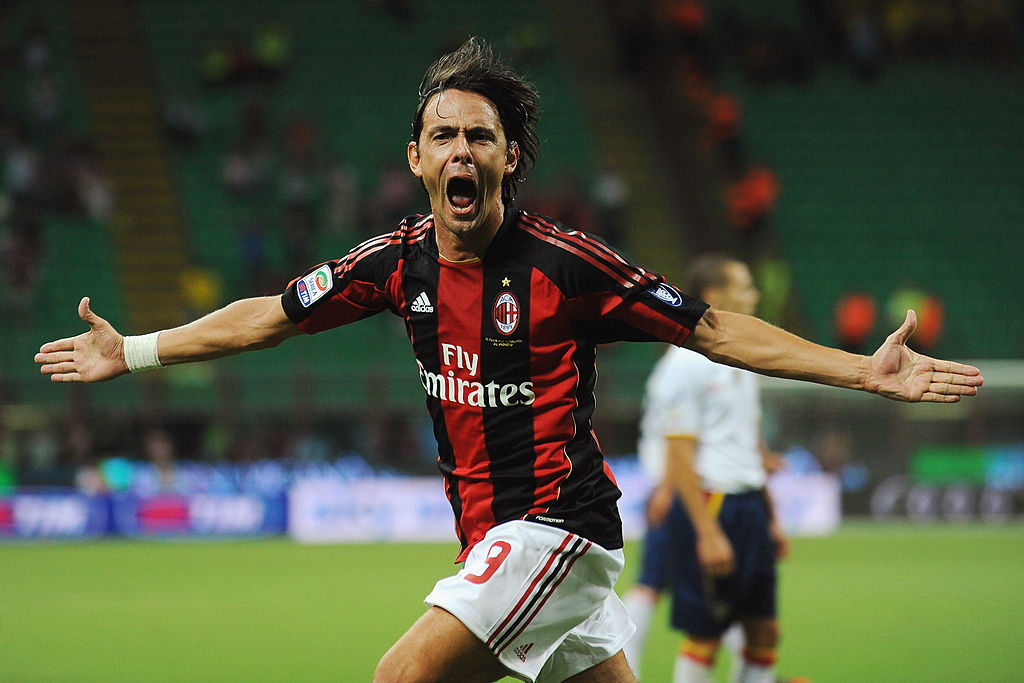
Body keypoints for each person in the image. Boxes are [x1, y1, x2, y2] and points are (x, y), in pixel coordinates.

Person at [34, 38, 982, 683]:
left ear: (510, 157)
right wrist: (140, 350)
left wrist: (861, 369)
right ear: (416, 157)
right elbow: (271, 316)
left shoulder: (570, 266)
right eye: (443, 133)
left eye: (479, 135)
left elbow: (712, 327)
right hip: (496, 539)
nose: (460, 148)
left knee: (400, 676)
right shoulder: (393, 261)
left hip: (556, 530)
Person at [622, 255, 790, 682]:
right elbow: (678, 452)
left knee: (764, 629)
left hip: (748, 504)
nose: (754, 295)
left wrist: (770, 516)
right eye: (745, 286)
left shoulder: (741, 356)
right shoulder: (684, 364)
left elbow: (748, 439)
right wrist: (707, 530)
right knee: (706, 634)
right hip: (714, 504)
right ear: (715, 296)